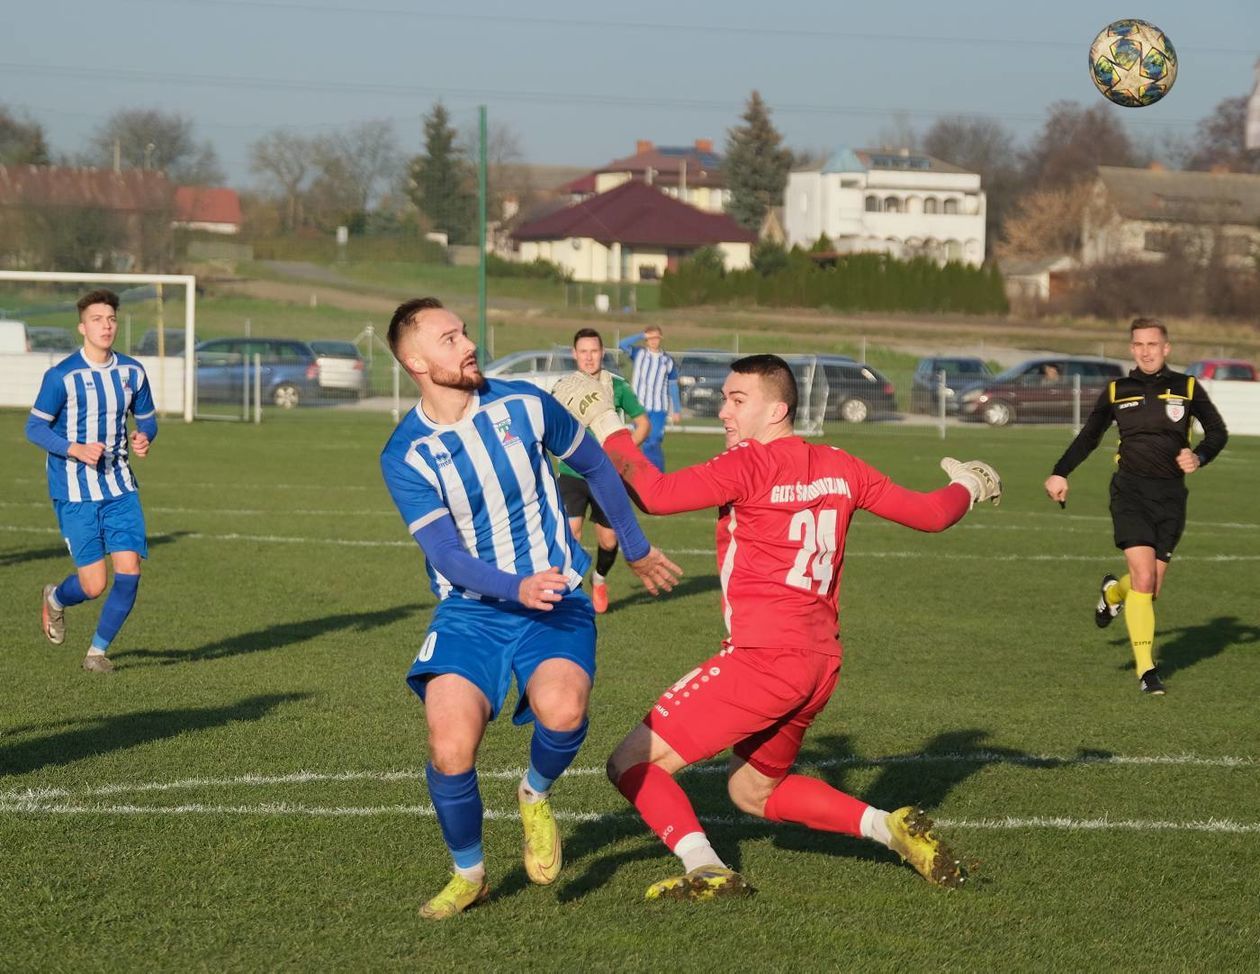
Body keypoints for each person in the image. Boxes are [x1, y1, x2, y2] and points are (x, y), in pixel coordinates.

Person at [553, 354, 1001, 900]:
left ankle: (705, 867)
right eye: (724, 399)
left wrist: (605, 425)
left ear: (778, 410)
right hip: (819, 665)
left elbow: (657, 494)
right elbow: (933, 514)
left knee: (630, 762)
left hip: (762, 659)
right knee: (752, 791)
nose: (723, 412)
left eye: (737, 401)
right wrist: (970, 484)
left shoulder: (748, 465)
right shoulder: (842, 465)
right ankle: (889, 826)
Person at [379, 298, 681, 920]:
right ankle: (470, 875)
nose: (467, 343)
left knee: (565, 713)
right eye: (448, 337)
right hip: (471, 611)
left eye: (463, 331)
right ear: (414, 360)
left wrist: (636, 544)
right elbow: (443, 552)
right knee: (450, 744)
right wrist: (511, 587)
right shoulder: (405, 454)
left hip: (558, 594)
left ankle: (534, 794)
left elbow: (597, 465)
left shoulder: (523, 402)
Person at [1044, 318, 1227, 695]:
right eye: (1138, 344)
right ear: (1132, 349)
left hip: (1172, 497)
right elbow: (1089, 437)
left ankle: (1112, 593)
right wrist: (1060, 473)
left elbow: (1217, 431)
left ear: (1166, 348)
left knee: (1150, 588)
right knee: (1144, 580)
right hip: (1129, 492)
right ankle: (1147, 671)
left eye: (1152, 344)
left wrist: (1200, 456)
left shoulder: (1187, 387)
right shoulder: (1117, 390)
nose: (1145, 351)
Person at [26, 289, 158, 675]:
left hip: (120, 487)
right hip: (75, 490)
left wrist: (145, 436)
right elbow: (34, 427)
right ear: (82, 327)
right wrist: (74, 448)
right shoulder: (62, 376)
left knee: (130, 571)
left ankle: (97, 653)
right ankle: (55, 597)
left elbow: (147, 418)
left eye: (112, 319)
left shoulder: (132, 372)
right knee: (94, 584)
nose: (106, 325)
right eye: (98, 319)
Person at [555, 328, 650, 614]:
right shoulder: (564, 387)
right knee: (571, 532)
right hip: (571, 473)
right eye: (583, 351)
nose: (588, 357)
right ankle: (569, 592)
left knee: (608, 540)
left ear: (602, 353)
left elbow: (643, 423)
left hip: (607, 475)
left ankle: (599, 578)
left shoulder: (617, 386)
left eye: (594, 351)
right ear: (574, 354)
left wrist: (622, 451)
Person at [618, 325, 680, 471]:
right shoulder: (638, 354)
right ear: (646, 339)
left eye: (656, 337)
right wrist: (641, 335)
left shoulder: (668, 361)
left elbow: (672, 385)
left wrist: (676, 409)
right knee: (640, 440)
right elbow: (622, 344)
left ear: (661, 339)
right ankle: (640, 473)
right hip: (640, 407)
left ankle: (657, 474)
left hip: (659, 408)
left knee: (653, 441)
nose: (653, 341)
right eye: (650, 338)